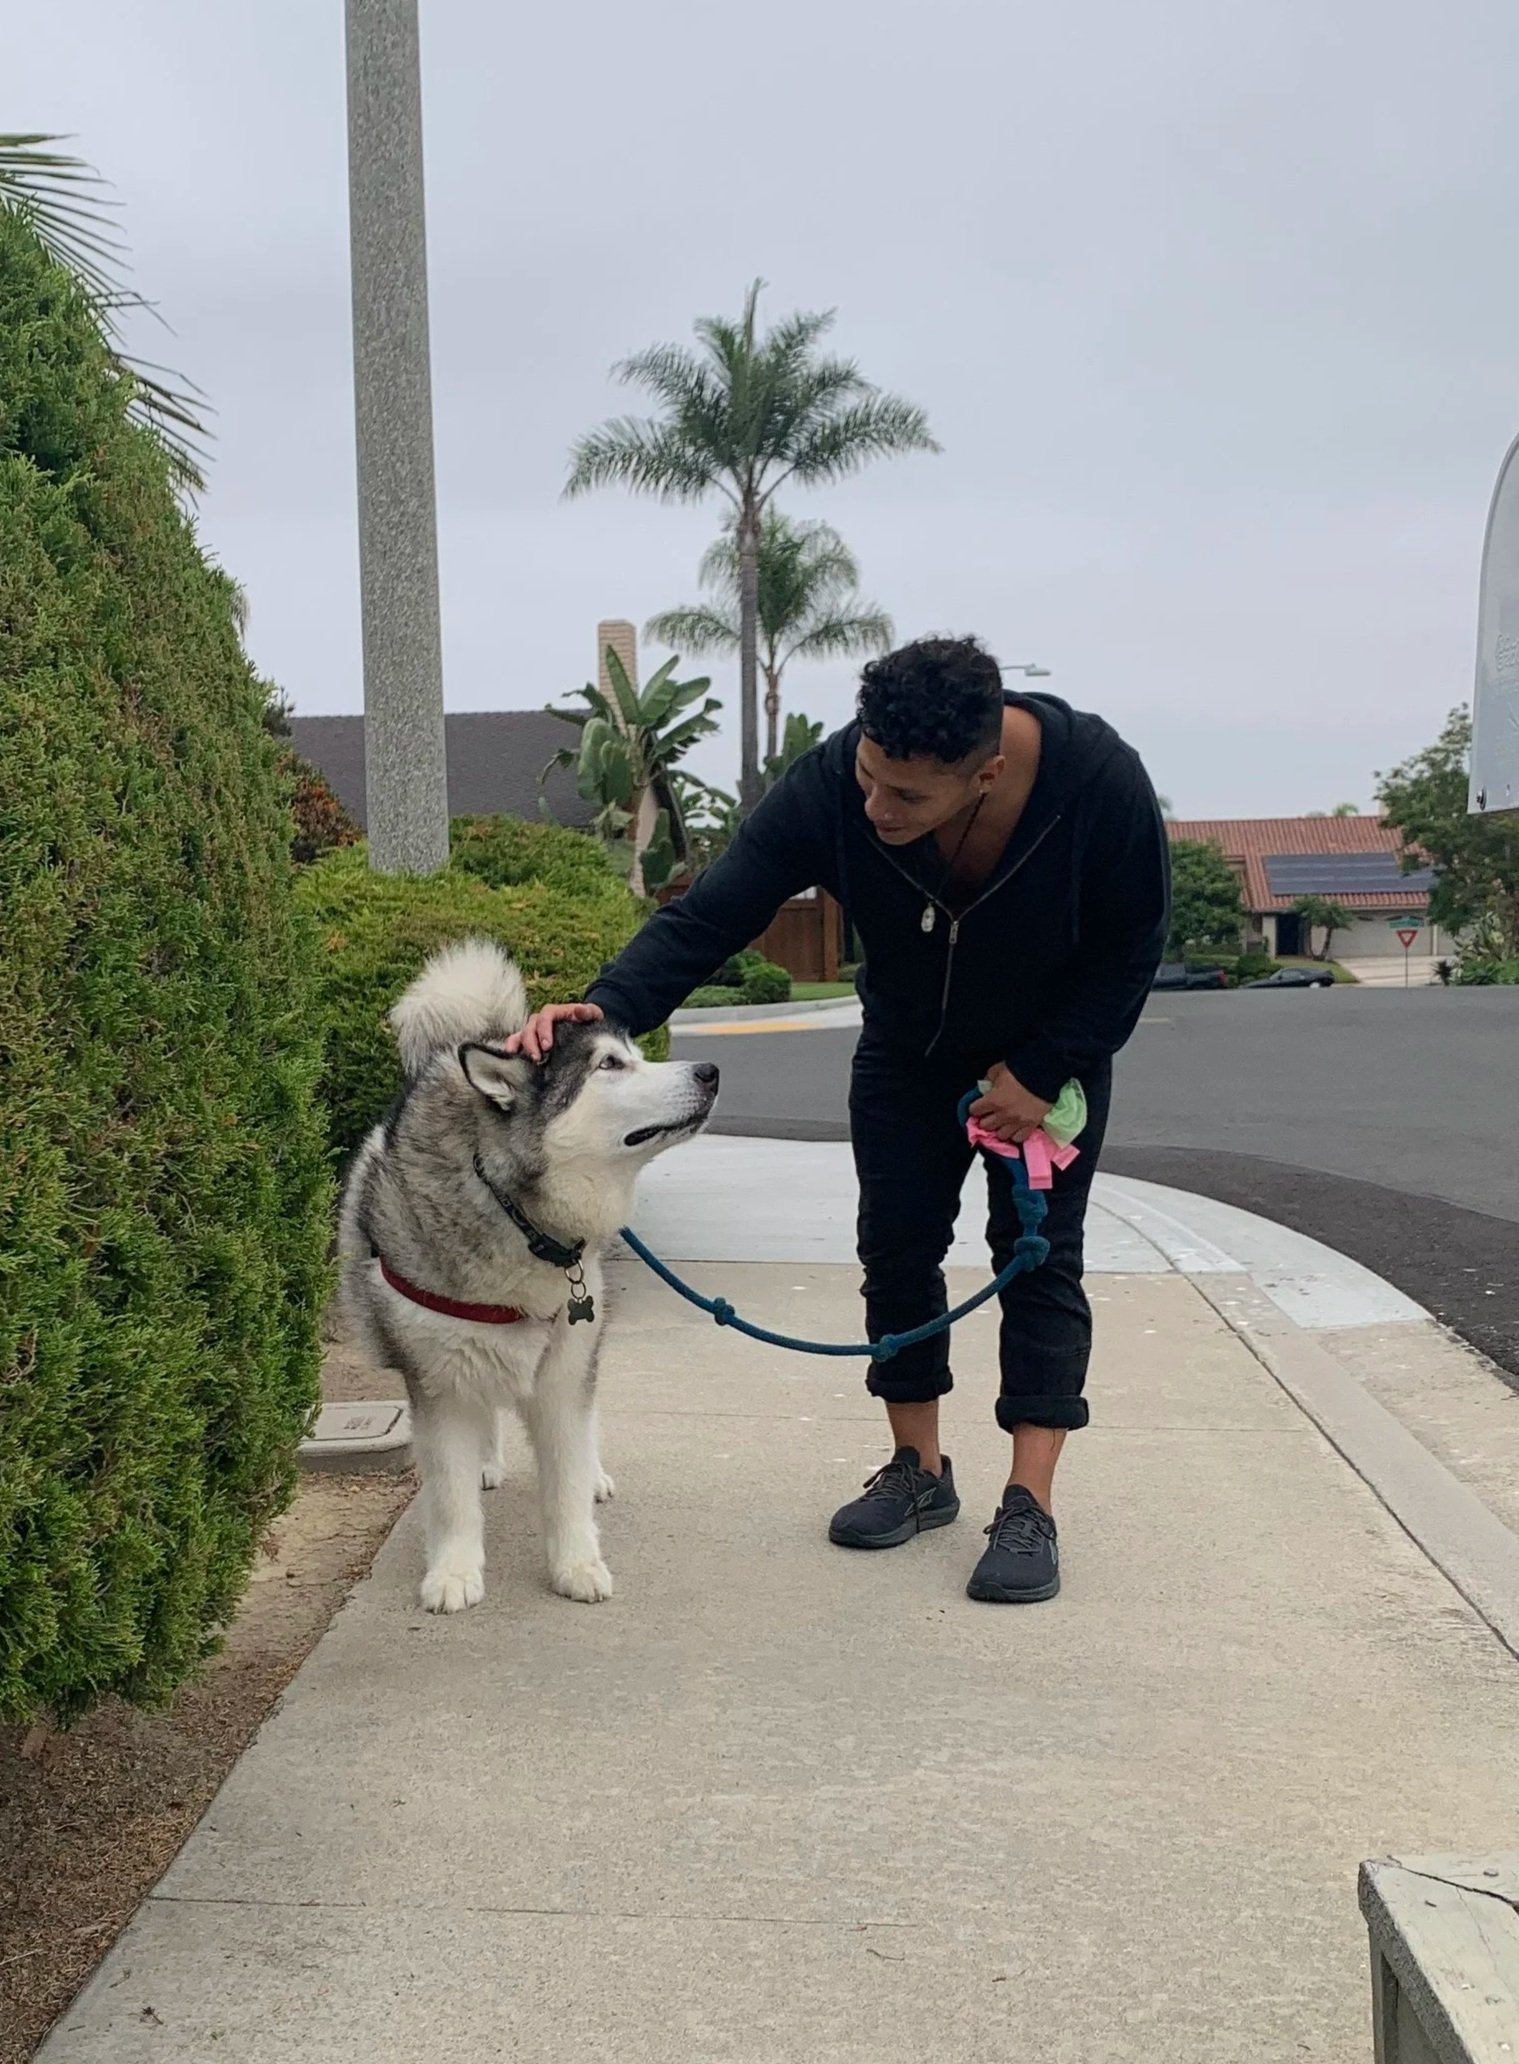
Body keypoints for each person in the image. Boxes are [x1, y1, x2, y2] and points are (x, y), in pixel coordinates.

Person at [509, 636, 1170, 1603]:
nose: (874, 808)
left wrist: (1039, 1070)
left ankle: (1029, 1502)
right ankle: (918, 1471)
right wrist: (602, 1014)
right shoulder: (832, 784)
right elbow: (712, 915)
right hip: (904, 1051)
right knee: (896, 1250)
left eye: (906, 796)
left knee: (1038, 1260)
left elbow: (1132, 945)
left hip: (1044, 1066)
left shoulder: (1097, 782)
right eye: (868, 776)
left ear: (985, 773)